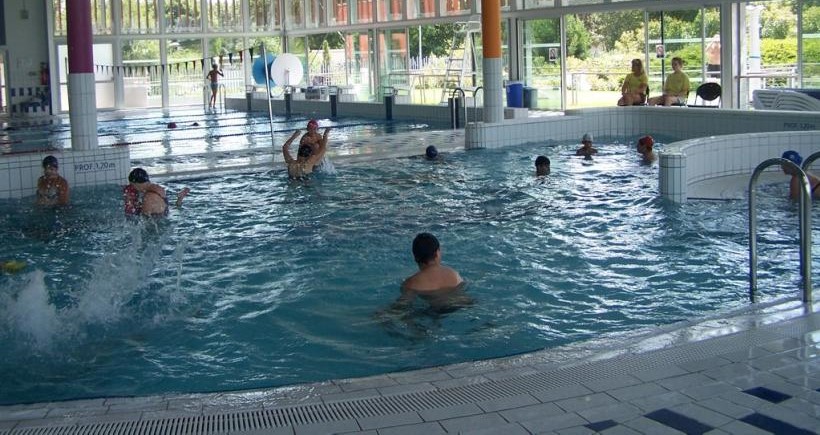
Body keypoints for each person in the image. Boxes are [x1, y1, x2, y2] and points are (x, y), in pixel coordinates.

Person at [394, 233, 466, 312]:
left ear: (415, 257)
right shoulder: (454, 274)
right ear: (437, 253)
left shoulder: (411, 283)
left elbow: (402, 306)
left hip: (431, 311)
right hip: (458, 306)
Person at [124, 168, 189, 217]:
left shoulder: (148, 197)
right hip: (165, 215)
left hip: (159, 227)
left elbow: (144, 221)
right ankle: (179, 200)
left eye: (132, 185)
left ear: (137, 184)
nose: (133, 188)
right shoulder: (158, 188)